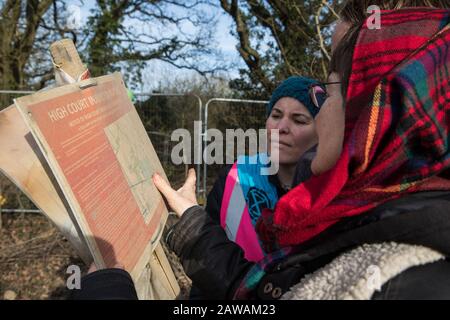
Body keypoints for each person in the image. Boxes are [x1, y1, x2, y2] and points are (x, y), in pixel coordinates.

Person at [153, 2, 450, 300]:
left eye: (335, 90)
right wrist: (194, 224)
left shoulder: (400, 279)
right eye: (276, 115)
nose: (283, 127)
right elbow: (256, 293)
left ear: (372, 114)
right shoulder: (239, 179)